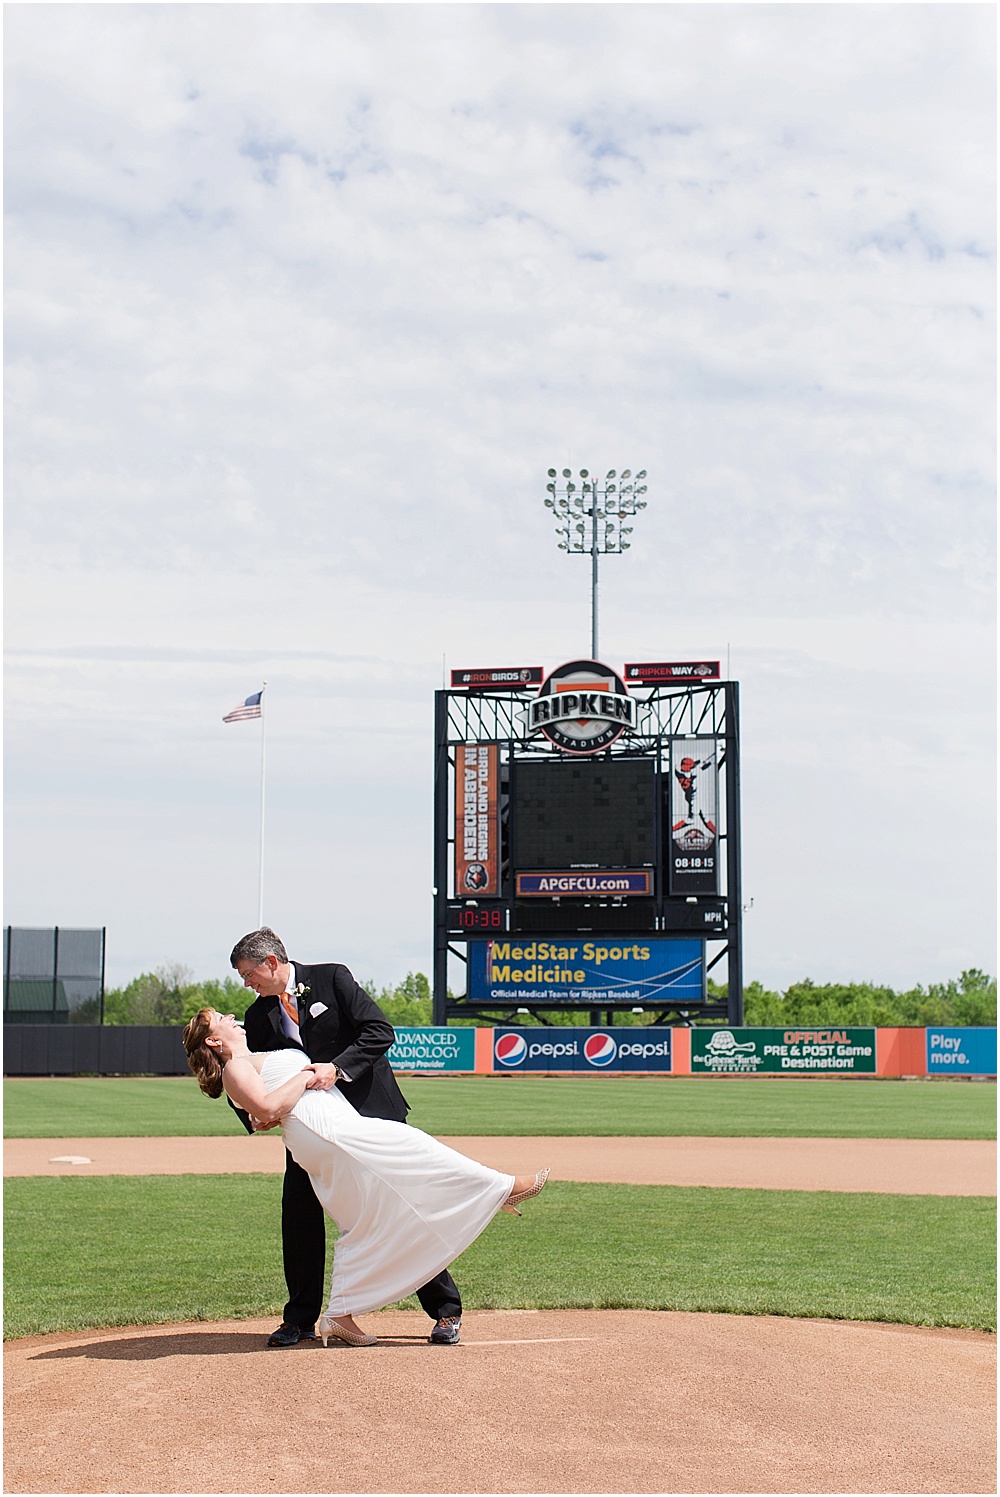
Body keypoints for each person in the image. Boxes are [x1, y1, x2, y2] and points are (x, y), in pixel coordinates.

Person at [183, 1007, 548, 1346]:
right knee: (412, 1145)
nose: (231, 1015)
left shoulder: (258, 1052)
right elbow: (264, 1108)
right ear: (214, 1041)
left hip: (334, 1127)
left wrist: (292, 1088)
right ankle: (502, 1189)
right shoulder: (236, 1067)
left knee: (362, 1219)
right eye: (219, 1018)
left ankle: (340, 1314)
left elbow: (266, 1108)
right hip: (328, 1133)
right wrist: (306, 1074)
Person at [227, 928, 454, 1347]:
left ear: (271, 962)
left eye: (248, 973)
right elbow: (250, 1072)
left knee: (400, 1207)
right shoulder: (258, 1016)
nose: (247, 983)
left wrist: (337, 1067)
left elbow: (379, 1031)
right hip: (311, 1130)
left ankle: (445, 1311)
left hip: (369, 1117)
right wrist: (254, 1115)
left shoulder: (333, 978)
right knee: (298, 1214)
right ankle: (298, 1320)